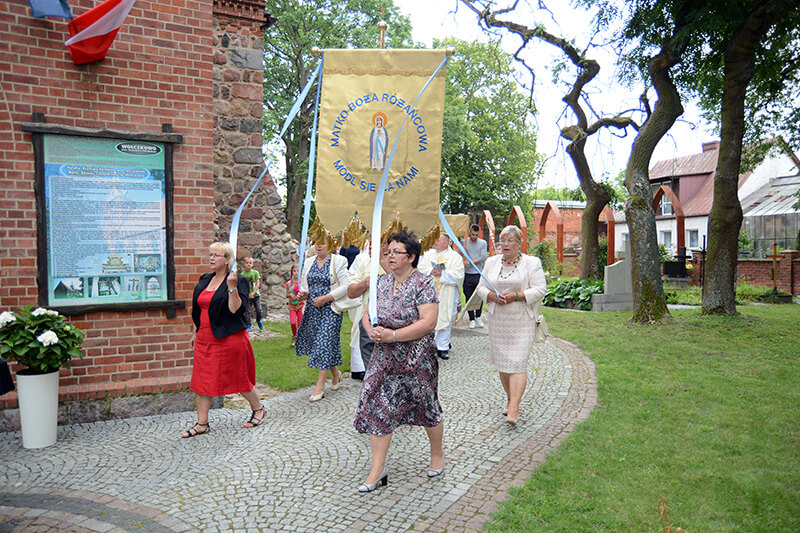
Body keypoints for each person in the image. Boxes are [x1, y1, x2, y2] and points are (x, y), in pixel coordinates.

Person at [353, 229, 443, 493]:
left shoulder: (423, 283)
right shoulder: (380, 282)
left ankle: (437, 454)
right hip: (384, 358)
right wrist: (371, 330)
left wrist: (393, 335)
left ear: (411, 256)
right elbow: (368, 314)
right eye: (388, 252)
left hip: (417, 359)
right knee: (377, 407)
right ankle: (377, 469)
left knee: (426, 407)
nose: (390, 256)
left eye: (396, 252)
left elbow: (429, 322)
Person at [183, 242, 264, 438]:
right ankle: (202, 423)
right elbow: (199, 309)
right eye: (210, 254)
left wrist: (231, 288)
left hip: (229, 337)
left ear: (227, 260)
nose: (211, 258)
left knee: (238, 377)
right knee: (202, 379)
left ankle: (258, 408)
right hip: (205, 337)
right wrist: (195, 331)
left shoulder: (239, 280)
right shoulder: (205, 279)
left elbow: (235, 309)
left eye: (216, 255)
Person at [474, 225, 546, 426]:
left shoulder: (532, 263)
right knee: (504, 364)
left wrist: (518, 295)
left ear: (519, 243)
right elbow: (480, 287)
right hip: (499, 320)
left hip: (522, 319)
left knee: (518, 362)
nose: (505, 244)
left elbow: (540, 289)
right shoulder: (491, 262)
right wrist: (491, 296)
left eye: (510, 240)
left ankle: (514, 407)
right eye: (502, 240)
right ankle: (510, 398)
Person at [295, 242, 350, 401]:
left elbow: (346, 286)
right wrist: (304, 294)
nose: (319, 246)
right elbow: (305, 285)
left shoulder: (339, 261)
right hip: (313, 309)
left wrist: (326, 298)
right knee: (321, 344)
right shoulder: (309, 262)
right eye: (316, 243)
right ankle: (335, 373)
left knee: (323, 343)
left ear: (330, 244)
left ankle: (320, 387)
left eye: (323, 243)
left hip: (331, 309)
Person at [346, 241, 389, 380]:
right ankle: (362, 371)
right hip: (366, 317)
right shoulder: (362, 260)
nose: (371, 246)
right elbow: (351, 292)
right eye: (370, 244)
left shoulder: (396, 261)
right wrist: (364, 284)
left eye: (378, 242)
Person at [418, 233, 464, 359]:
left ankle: (442, 347)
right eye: (435, 240)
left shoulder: (455, 257)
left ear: (447, 242)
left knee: (445, 317)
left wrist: (443, 274)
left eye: (438, 240)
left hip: (447, 292)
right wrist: (430, 271)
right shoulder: (428, 254)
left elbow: (459, 275)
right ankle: (429, 345)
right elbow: (420, 269)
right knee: (428, 318)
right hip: (429, 293)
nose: (435, 242)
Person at [462, 224, 488, 329]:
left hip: (478, 273)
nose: (474, 237)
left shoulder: (483, 243)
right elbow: (460, 255)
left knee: (479, 296)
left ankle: (478, 316)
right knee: (468, 296)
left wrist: (470, 262)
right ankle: (471, 319)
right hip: (467, 274)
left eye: (476, 235)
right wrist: (463, 259)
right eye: (472, 234)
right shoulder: (464, 242)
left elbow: (482, 257)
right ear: (469, 232)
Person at [241, 256, 264, 330]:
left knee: (259, 309)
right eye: (247, 263)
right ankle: (248, 324)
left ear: (252, 264)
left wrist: (253, 293)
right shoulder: (242, 274)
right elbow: (242, 286)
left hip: (256, 295)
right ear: (244, 264)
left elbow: (258, 283)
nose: (248, 264)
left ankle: (259, 320)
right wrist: (247, 294)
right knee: (248, 311)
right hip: (247, 296)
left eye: (250, 263)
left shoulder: (255, 273)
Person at [285, 264, 303, 347]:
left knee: (300, 323)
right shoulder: (289, 283)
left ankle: (300, 339)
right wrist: (290, 295)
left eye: (298, 271)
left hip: (300, 305)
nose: (296, 273)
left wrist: (299, 295)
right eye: (294, 271)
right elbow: (286, 295)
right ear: (292, 272)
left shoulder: (302, 283)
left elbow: (305, 293)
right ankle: (294, 335)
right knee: (293, 323)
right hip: (292, 306)